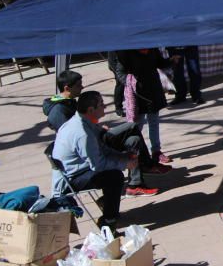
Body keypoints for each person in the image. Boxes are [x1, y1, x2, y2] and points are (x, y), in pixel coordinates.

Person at [53, 91, 168, 228]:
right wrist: (123, 163)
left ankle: (109, 200)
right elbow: (98, 165)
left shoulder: (83, 121)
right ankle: (108, 221)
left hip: (79, 167)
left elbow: (102, 147)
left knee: (133, 140)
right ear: (91, 110)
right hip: (72, 177)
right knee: (114, 177)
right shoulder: (83, 133)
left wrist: (123, 156)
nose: (105, 107)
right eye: (101, 104)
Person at [117, 48, 175, 164]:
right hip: (138, 93)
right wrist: (131, 83)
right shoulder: (126, 51)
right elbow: (120, 72)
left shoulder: (152, 48)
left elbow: (160, 63)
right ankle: (134, 153)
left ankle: (156, 152)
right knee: (137, 125)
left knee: (154, 121)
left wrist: (171, 61)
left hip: (153, 90)